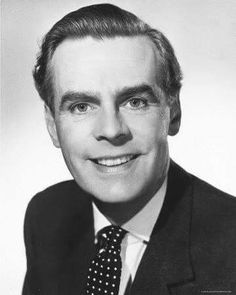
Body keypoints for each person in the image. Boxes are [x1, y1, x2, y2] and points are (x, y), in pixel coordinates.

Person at [22, 3, 236, 295]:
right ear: (51, 124)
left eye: (135, 102)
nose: (111, 130)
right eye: (81, 106)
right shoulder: (46, 216)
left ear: (173, 112)